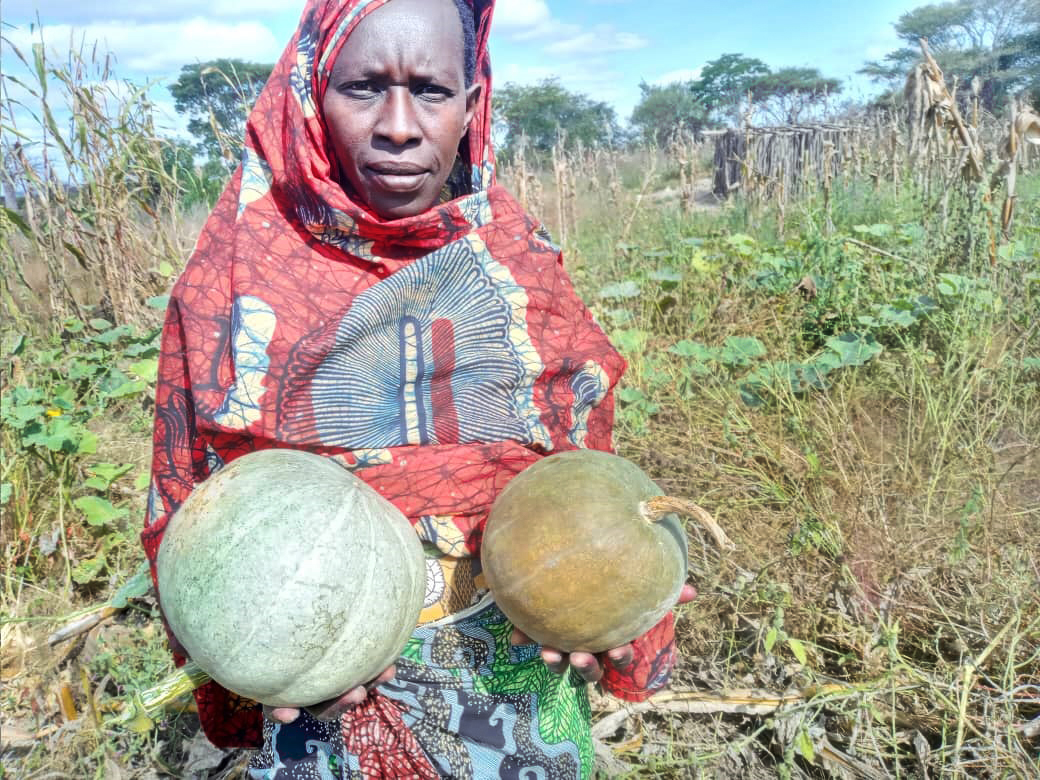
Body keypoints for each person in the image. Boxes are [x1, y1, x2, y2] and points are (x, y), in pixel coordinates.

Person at [141, 0, 694, 776]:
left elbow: (586, 475)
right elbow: (185, 496)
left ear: (471, 105)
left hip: (517, 687)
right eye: (364, 87)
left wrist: (601, 605)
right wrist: (254, 657)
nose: (399, 124)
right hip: (324, 692)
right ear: (310, 96)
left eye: (431, 91)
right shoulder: (233, 276)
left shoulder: (517, 262)